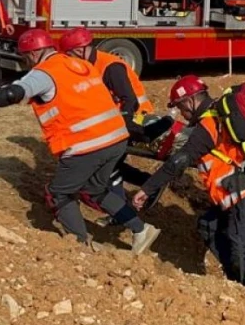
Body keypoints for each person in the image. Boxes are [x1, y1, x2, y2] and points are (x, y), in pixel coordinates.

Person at [0, 29, 160, 253]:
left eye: (24, 57)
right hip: (116, 138)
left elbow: (12, 93)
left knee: (59, 193)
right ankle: (141, 229)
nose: (26, 62)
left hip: (87, 144)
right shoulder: (80, 65)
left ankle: (80, 246)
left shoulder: (44, 73)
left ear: (32, 54)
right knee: (94, 188)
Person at [131, 76, 245, 289]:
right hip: (244, 189)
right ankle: (237, 283)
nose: (181, 113)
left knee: (244, 258)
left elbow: (178, 162)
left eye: (180, 106)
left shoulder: (208, 126)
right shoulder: (221, 113)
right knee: (208, 225)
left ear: (190, 101)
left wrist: (147, 188)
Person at [57, 27, 169, 223]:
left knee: (109, 169)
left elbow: (130, 100)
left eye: (69, 55)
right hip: (114, 123)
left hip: (133, 120)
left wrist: (122, 126)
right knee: (110, 164)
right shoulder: (89, 66)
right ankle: (147, 184)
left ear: (80, 50)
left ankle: (121, 215)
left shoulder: (110, 67)